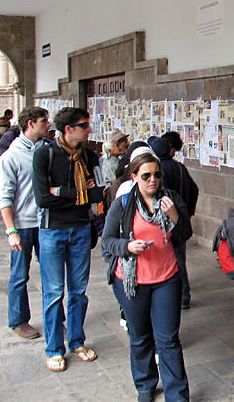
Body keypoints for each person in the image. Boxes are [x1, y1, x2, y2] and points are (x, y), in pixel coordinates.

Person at [102, 152, 192, 402]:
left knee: (168, 339)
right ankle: (145, 384)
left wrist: (174, 216)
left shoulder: (170, 199)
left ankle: (177, 394)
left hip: (166, 278)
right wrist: (128, 247)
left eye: (157, 175)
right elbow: (107, 241)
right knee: (140, 336)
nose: (153, 180)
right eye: (146, 176)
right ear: (134, 177)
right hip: (133, 282)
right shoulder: (122, 204)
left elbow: (185, 235)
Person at [32, 107, 104, 372]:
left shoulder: (89, 155)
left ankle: (77, 341)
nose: (89, 128)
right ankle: (54, 348)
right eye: (84, 125)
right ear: (68, 129)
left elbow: (98, 195)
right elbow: (42, 199)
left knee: (78, 292)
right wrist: (79, 193)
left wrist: (61, 191)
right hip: (52, 231)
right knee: (53, 293)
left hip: (81, 229)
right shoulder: (44, 154)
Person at [0, 106, 51, 339]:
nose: (48, 124)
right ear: (30, 124)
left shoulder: (47, 150)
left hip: (46, 222)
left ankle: (56, 320)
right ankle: (18, 320)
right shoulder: (11, 157)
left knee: (52, 275)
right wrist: (11, 230)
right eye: (44, 121)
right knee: (19, 274)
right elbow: (4, 197)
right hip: (23, 225)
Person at [151, 134, 198, 309]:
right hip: (180, 218)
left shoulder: (158, 171)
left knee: (172, 260)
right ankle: (183, 294)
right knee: (180, 258)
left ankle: (181, 295)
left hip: (167, 220)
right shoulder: (179, 167)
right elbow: (194, 189)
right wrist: (188, 212)